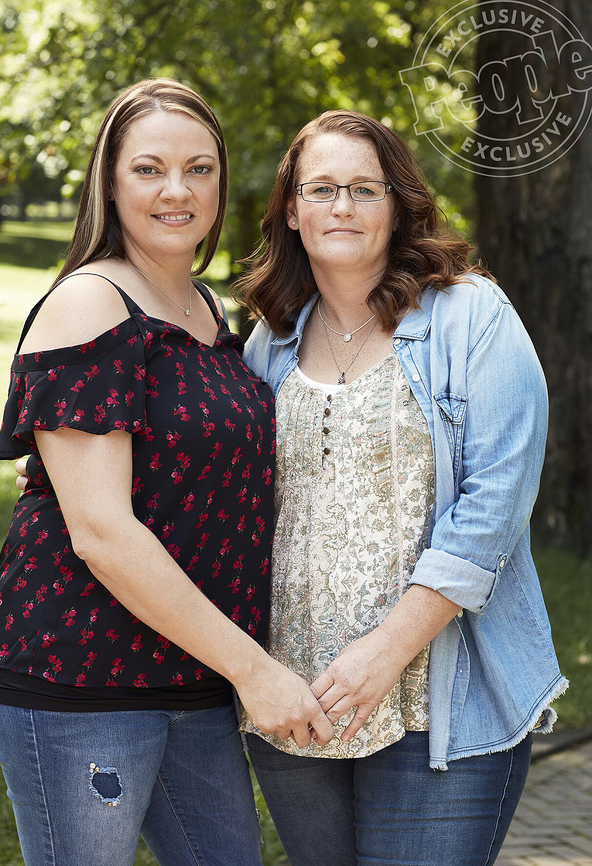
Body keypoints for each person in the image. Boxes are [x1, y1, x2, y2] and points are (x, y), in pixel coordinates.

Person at [0, 78, 334, 866]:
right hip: (79, 680)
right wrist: (255, 671)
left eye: (200, 169)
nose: (178, 191)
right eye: (149, 169)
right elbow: (101, 532)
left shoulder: (204, 306)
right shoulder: (89, 304)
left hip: (190, 674)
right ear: (109, 183)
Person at [234, 110, 569, 866]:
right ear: (292, 209)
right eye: (321, 189)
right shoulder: (271, 340)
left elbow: (495, 504)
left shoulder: (470, 316)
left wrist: (385, 652)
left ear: (398, 205)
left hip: (433, 698)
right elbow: (219, 478)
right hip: (298, 700)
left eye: (365, 188)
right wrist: (70, 469)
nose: (343, 206)